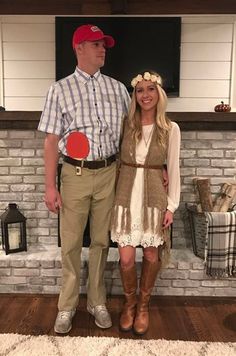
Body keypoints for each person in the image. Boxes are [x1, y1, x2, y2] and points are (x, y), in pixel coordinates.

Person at [38, 24, 131, 334]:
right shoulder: (59, 89)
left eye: (103, 44)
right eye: (94, 44)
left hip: (109, 173)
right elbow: (51, 141)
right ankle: (66, 307)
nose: (102, 49)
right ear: (78, 49)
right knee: (72, 244)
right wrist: (51, 186)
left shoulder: (118, 89)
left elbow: (129, 136)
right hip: (74, 174)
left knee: (103, 241)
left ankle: (97, 302)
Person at [110, 70, 181, 335]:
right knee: (126, 257)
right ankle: (129, 304)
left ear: (159, 94)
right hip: (126, 197)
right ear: (135, 95)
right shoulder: (126, 123)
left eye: (151, 89)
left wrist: (171, 206)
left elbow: (173, 168)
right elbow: (115, 158)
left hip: (153, 199)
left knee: (151, 253)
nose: (145, 95)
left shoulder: (170, 129)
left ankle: (143, 306)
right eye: (140, 90)